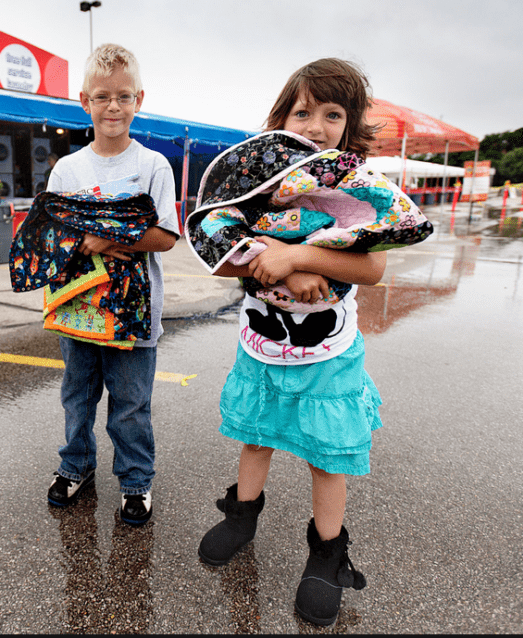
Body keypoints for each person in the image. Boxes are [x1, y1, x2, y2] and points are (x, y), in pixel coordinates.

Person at [194, 58, 413, 627]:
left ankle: (326, 553)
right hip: (262, 346)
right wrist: (282, 271)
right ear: (281, 117)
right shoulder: (256, 186)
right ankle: (242, 517)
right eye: (303, 111)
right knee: (255, 435)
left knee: (325, 456)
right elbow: (217, 257)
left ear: (351, 125)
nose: (316, 125)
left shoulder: (361, 189)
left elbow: (374, 268)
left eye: (332, 113)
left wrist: (299, 254)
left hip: (329, 356)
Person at [44, 43, 179, 526]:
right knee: (77, 396)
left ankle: (136, 481)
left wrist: (105, 235)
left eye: (123, 96)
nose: (113, 107)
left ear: (139, 99)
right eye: (102, 97)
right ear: (85, 101)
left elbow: (165, 235)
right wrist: (93, 241)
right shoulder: (68, 169)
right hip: (79, 305)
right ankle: (75, 465)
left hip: (135, 313)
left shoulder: (153, 166)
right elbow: (53, 232)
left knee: (130, 404)